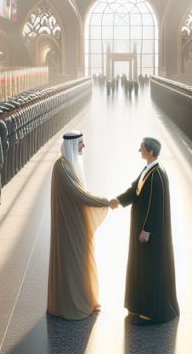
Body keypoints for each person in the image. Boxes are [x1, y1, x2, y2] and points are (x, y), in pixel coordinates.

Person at [110, 137, 179, 325]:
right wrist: (119, 200)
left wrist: (146, 231)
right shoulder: (149, 169)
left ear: (150, 152)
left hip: (150, 235)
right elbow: (135, 190)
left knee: (150, 269)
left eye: (141, 148)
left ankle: (151, 311)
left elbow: (153, 207)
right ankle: (139, 305)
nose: (139, 150)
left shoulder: (156, 175)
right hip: (142, 229)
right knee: (141, 266)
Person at [47, 131, 111, 320]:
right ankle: (73, 305)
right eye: (81, 144)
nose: (83, 147)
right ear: (72, 145)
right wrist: (105, 202)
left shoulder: (69, 164)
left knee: (84, 258)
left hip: (75, 221)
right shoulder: (62, 168)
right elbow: (78, 194)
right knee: (74, 262)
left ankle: (88, 299)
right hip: (69, 225)